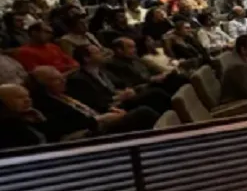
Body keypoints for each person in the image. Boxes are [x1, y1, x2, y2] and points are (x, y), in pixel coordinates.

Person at [28, 66, 159, 137]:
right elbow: (64, 127)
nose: (63, 81)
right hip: (92, 132)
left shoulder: (64, 94)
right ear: (42, 85)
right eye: (56, 79)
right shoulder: (45, 104)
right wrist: (101, 119)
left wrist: (110, 111)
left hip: (100, 117)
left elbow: (89, 107)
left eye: (61, 77)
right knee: (144, 112)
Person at [67, 44, 173, 115]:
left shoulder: (101, 70)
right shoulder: (78, 79)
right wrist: (119, 97)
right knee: (154, 95)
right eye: (97, 52)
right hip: (113, 108)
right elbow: (97, 103)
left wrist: (125, 92)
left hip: (123, 98)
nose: (102, 54)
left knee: (159, 88)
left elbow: (117, 85)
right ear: (87, 58)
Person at [14, 22, 79, 73]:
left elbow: (69, 59)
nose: (50, 35)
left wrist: (74, 66)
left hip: (72, 73)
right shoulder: (24, 52)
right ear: (34, 33)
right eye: (47, 32)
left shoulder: (53, 46)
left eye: (51, 33)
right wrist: (69, 67)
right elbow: (39, 73)